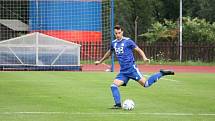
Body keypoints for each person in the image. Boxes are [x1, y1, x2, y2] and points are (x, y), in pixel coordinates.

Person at [95, 25, 174, 109]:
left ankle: (161, 73)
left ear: (122, 32)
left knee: (146, 84)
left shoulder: (128, 41)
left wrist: (144, 58)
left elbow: (139, 50)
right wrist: (100, 61)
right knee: (113, 86)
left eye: (119, 33)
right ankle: (118, 105)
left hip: (132, 69)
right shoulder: (114, 43)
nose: (117, 35)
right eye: (116, 33)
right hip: (123, 72)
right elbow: (109, 52)